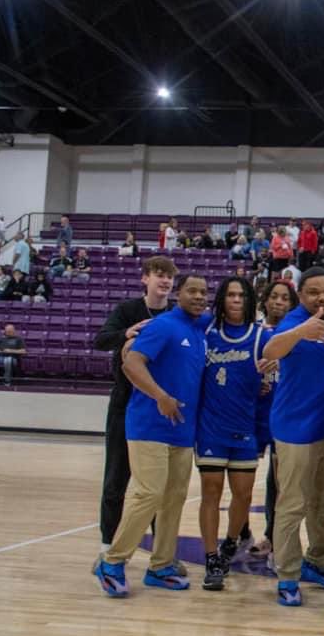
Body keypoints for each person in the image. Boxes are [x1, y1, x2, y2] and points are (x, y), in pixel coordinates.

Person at [93, 274, 210, 597]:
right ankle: (112, 561)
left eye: (203, 292)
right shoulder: (163, 325)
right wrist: (159, 395)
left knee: (174, 498)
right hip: (149, 426)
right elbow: (131, 362)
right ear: (179, 294)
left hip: (183, 429)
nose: (199, 296)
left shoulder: (198, 329)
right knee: (148, 494)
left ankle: (161, 564)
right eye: (192, 291)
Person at [262, 268, 324, 606]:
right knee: (292, 504)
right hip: (294, 432)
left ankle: (317, 560)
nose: (323, 298)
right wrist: (303, 330)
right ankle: (286, 574)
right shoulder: (294, 321)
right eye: (314, 292)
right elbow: (271, 350)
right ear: (301, 296)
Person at [92, 256, 179, 562]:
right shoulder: (127, 310)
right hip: (126, 403)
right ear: (145, 278)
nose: (165, 280)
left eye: (169, 276)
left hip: (161, 407)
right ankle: (107, 548)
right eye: (159, 274)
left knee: (160, 486)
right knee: (116, 479)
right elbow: (101, 340)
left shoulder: (175, 314)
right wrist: (126, 333)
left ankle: (160, 554)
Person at [195, 277, 275, 591]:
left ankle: (231, 541)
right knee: (210, 493)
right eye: (230, 294)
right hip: (211, 427)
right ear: (221, 299)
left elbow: (271, 380)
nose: (236, 299)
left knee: (242, 494)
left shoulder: (260, 336)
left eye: (242, 294)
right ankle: (212, 555)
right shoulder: (207, 331)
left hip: (245, 427)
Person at [251, 280, 298, 561]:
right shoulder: (255, 332)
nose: (279, 302)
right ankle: (241, 532)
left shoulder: (295, 333)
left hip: (284, 413)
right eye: (274, 296)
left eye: (284, 298)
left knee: (278, 482)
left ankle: (272, 534)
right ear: (265, 301)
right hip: (255, 413)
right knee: (241, 478)